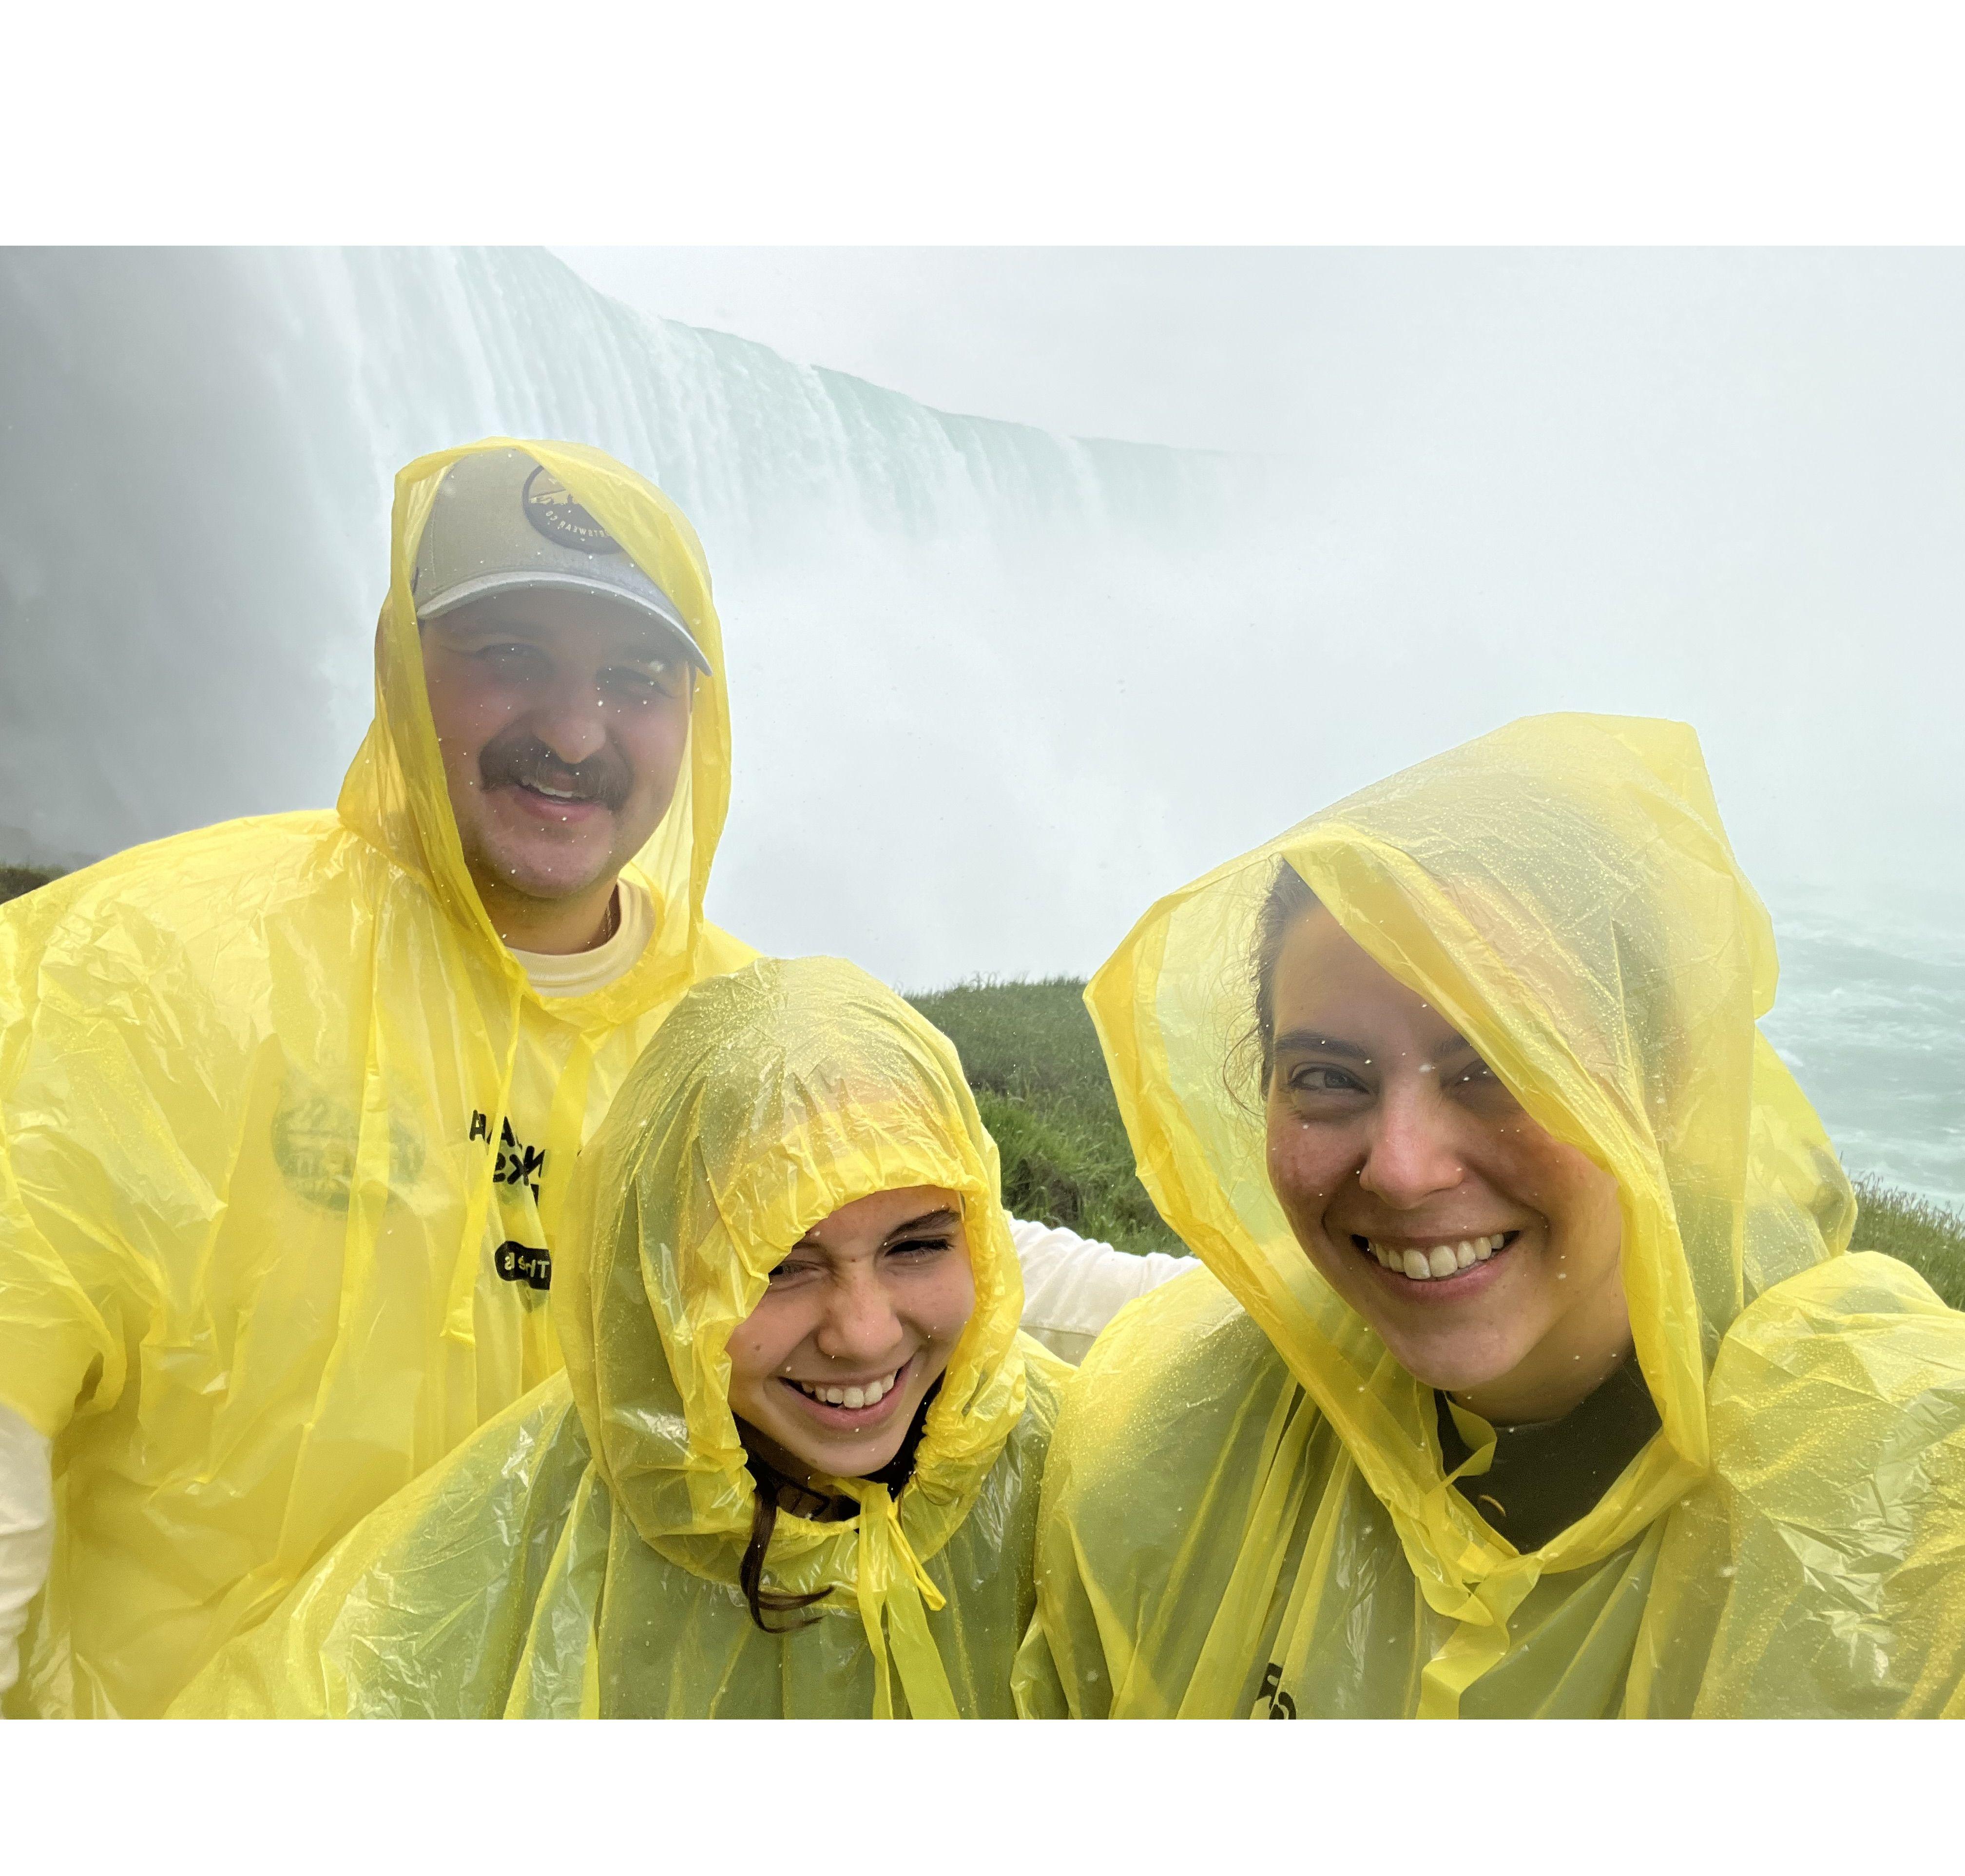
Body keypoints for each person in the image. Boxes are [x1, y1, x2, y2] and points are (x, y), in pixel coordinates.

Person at [0, 438, 1181, 1717]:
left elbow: (960, 1258)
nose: (573, 732)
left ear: (695, 712)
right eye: (511, 659)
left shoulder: (729, 1026)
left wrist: (1288, 1316)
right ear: (400, 667)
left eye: (633, 680)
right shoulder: (141, 971)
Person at [1014, 713, 1965, 1719]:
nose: (1405, 1169)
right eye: (1328, 1077)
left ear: (1668, 1082)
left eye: (1504, 1066)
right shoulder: (1173, 1433)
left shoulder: (1898, 1507)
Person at [175, 958, 1068, 1718]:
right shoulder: (522, 1523)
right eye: (774, 1266)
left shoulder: (1070, 1473)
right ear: (661, 1278)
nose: (865, 1333)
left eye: (915, 1247)